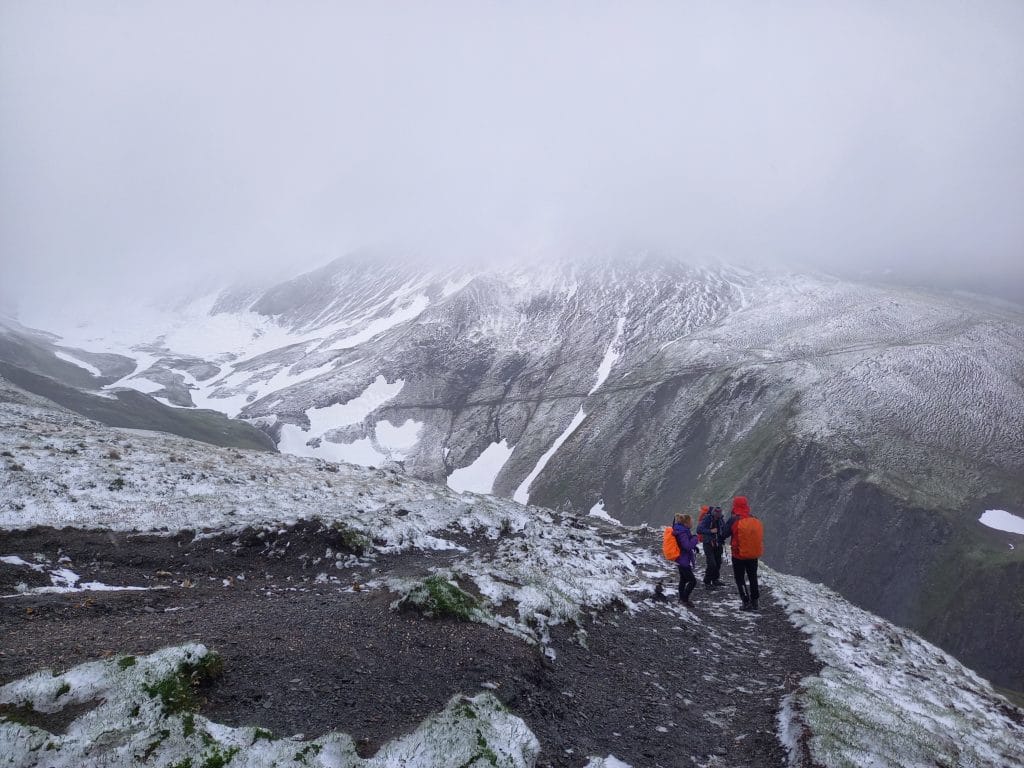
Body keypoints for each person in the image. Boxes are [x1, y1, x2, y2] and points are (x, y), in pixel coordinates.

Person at [721, 495, 764, 611]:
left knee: (740, 579)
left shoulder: (734, 519)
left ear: (735, 505)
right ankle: (755, 602)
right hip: (752, 554)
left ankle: (746, 602)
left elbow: (724, 534)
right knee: (753, 577)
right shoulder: (753, 518)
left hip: (738, 555)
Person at [671, 513, 699, 606]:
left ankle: (681, 598)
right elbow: (687, 546)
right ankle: (685, 599)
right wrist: (695, 539)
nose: (692, 523)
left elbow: (686, 544)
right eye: (691, 522)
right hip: (683, 560)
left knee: (683, 580)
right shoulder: (682, 532)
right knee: (692, 581)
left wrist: (694, 546)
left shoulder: (682, 530)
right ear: (686, 523)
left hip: (681, 559)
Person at [696, 504, 726, 588]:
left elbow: (723, 529)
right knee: (711, 564)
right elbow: (698, 530)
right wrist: (710, 531)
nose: (718, 516)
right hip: (708, 543)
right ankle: (707, 581)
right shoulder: (707, 518)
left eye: (719, 515)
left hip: (718, 544)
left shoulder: (720, 519)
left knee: (718, 562)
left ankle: (715, 580)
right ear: (713, 514)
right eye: (717, 515)